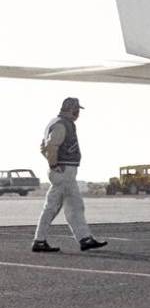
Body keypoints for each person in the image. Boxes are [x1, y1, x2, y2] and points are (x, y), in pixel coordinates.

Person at [31, 97, 107, 253]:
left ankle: (84, 238)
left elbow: (43, 148)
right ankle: (41, 240)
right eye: (76, 110)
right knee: (61, 207)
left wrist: (52, 164)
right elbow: (51, 146)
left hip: (64, 171)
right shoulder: (62, 125)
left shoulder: (56, 123)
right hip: (65, 172)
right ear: (71, 109)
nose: (78, 113)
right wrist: (54, 165)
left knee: (68, 206)